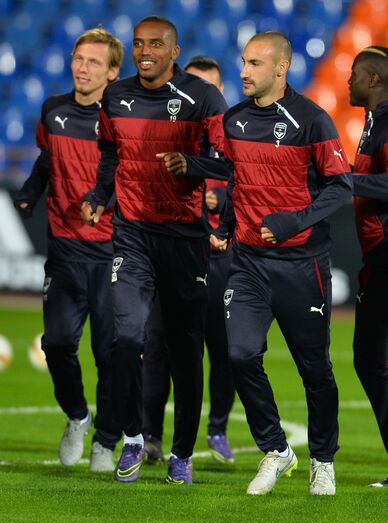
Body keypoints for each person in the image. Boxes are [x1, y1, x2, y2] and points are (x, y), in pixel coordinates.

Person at [81, 16, 227, 484]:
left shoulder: (201, 98)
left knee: (185, 349)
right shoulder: (115, 96)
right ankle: (132, 437)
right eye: (139, 44)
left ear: (174, 49)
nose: (146, 51)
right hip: (132, 234)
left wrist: (193, 164)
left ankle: (181, 451)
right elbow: (109, 155)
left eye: (156, 44)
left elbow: (228, 159)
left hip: (184, 239)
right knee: (126, 338)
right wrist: (100, 196)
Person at [210, 31, 353, 496]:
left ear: (280, 68)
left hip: (301, 265)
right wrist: (227, 225)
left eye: (254, 63)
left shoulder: (311, 120)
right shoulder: (232, 122)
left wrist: (297, 221)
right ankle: (276, 448)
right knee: (239, 355)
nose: (244, 72)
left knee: (314, 368)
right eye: (243, 62)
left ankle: (323, 459)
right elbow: (237, 181)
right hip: (248, 263)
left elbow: (340, 185)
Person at [14, 28, 124, 471]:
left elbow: (128, 176)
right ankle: (78, 416)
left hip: (111, 252)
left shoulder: (120, 120)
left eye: (94, 62)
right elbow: (46, 159)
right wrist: (29, 193)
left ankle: (107, 437)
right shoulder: (53, 110)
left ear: (113, 72)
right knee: (57, 344)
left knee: (110, 354)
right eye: (79, 58)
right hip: (63, 250)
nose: (83, 67)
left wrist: (105, 202)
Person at [142, 55, 236, 465]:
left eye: (210, 88)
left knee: (224, 348)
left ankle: (216, 429)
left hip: (221, 260)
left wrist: (224, 202)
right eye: (193, 86)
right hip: (175, 255)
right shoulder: (164, 136)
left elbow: (254, 184)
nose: (199, 96)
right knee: (158, 344)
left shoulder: (234, 138)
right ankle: (151, 436)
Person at [349, 46, 388, 488]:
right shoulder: (374, 121)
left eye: (355, 74)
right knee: (369, 359)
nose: (348, 81)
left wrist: (345, 180)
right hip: (376, 256)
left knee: (369, 358)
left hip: (386, 254)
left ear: (374, 79)